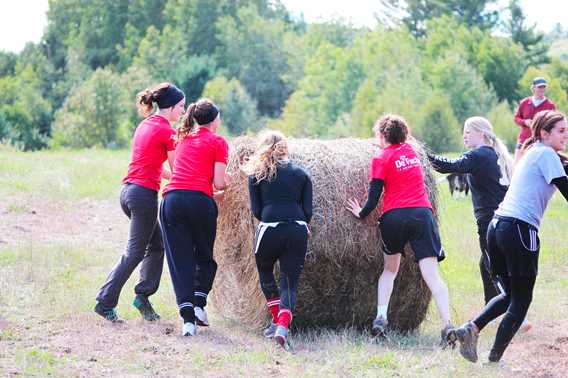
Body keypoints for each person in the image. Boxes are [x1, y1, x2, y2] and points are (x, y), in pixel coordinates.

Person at [455, 110, 568, 363]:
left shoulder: (535, 153)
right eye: (561, 130)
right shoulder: (546, 154)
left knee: (509, 296)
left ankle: (471, 328)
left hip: (497, 227)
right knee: (521, 300)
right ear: (544, 133)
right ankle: (493, 360)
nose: (567, 134)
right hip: (519, 229)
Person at [346, 114, 455, 346]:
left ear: (383, 135)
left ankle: (380, 319)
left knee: (389, 271)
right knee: (432, 277)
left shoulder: (381, 157)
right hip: (421, 215)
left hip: (394, 217)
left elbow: (374, 195)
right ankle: (448, 326)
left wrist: (361, 213)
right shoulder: (413, 153)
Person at [95, 82, 185, 322]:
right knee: (134, 252)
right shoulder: (167, 131)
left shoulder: (145, 125)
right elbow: (178, 168)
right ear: (171, 107)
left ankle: (142, 297)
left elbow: (155, 165)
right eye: (181, 107)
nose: (183, 112)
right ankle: (105, 301)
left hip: (128, 193)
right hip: (143, 196)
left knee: (156, 244)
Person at [159, 98, 229, 337]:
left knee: (180, 261)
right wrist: (229, 183)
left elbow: (184, 173)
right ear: (214, 119)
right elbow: (219, 182)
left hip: (172, 201)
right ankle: (199, 304)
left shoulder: (183, 139)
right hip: (199, 203)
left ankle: (188, 321)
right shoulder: (218, 142)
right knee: (205, 257)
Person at [428, 117, 514, 306]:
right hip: (505, 217)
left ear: (481, 134)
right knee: (486, 263)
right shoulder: (495, 154)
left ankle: (515, 311)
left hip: (490, 220)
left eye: (468, 131)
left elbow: (448, 166)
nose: (464, 135)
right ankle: (490, 307)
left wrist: (421, 153)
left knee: (493, 266)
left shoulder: (479, 155)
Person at [242, 130, 313, 348]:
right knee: (290, 282)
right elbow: (308, 210)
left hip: (270, 228)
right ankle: (282, 324)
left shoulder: (257, 175)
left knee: (264, 271)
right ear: (285, 148)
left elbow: (257, 211)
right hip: (298, 228)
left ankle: (276, 318)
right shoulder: (302, 174)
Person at [513, 77, 556, 163]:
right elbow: (516, 118)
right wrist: (525, 122)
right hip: (524, 139)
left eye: (544, 87)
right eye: (539, 87)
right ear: (533, 88)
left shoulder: (550, 105)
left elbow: (553, 123)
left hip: (540, 141)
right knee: (517, 164)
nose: (542, 89)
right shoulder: (524, 102)